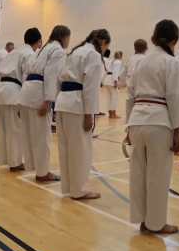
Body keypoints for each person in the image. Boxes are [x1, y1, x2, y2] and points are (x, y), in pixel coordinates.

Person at [127, 19, 179, 236]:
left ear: (153, 38)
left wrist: (128, 126)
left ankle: (142, 220)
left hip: (137, 119)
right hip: (159, 121)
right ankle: (157, 223)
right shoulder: (172, 63)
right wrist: (177, 132)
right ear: (174, 40)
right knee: (158, 175)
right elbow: (175, 97)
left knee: (138, 173)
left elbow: (130, 95)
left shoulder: (141, 62)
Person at [55, 29, 110, 201]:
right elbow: (90, 87)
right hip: (77, 104)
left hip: (63, 102)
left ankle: (68, 187)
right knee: (80, 150)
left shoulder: (74, 52)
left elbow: (59, 78)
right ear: (103, 42)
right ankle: (78, 190)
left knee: (65, 148)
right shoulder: (93, 55)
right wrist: (89, 114)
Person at [20, 24, 70, 183]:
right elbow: (51, 75)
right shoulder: (58, 51)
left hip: (27, 91)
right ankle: (42, 173)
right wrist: (48, 100)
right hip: (39, 94)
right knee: (42, 136)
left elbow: (27, 69)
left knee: (29, 134)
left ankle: (33, 166)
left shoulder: (43, 49)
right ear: (64, 37)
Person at [0, 27, 42, 172]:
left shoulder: (14, 51)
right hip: (14, 91)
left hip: (1, 89)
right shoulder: (30, 54)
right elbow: (26, 77)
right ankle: (15, 162)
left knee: (4, 128)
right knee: (15, 128)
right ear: (39, 41)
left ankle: (7, 159)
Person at [125, 39, 148, 117]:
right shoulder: (146, 59)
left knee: (130, 105)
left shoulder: (130, 58)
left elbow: (126, 72)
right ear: (146, 48)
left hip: (130, 85)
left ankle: (129, 123)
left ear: (135, 48)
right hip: (141, 85)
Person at [100, 49, 120, 119]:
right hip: (112, 79)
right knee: (114, 97)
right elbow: (116, 72)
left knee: (109, 97)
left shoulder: (110, 61)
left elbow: (104, 71)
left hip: (106, 79)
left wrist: (102, 81)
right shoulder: (117, 62)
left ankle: (110, 113)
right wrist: (115, 81)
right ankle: (113, 113)